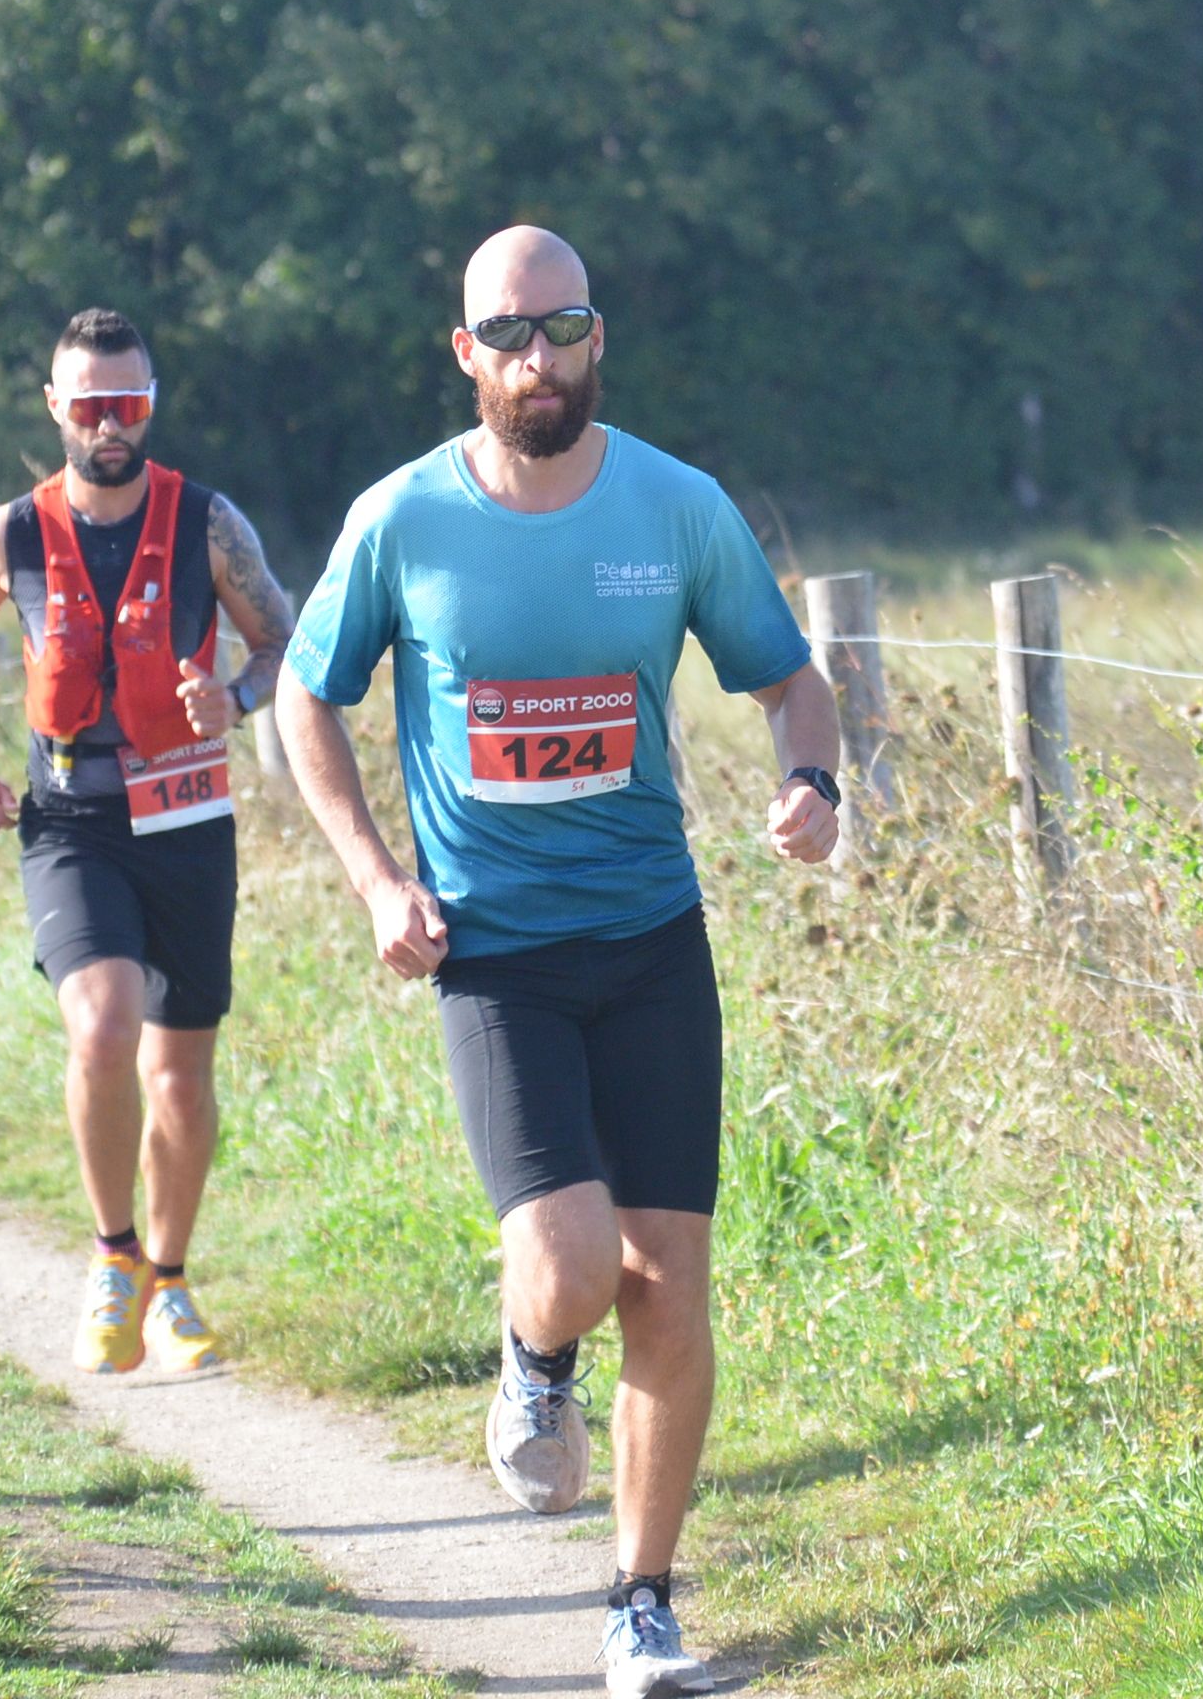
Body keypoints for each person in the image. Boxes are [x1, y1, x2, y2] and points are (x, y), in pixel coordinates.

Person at [274, 226, 841, 1699]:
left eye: (565, 328)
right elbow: (305, 698)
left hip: (652, 940)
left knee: (670, 1284)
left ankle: (641, 1602)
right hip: (495, 956)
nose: (541, 359)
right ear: (466, 352)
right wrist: (377, 879)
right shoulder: (404, 518)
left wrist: (811, 783)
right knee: (579, 1262)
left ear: (600, 336)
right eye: (511, 335)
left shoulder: (676, 506)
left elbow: (792, 682)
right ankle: (534, 1363)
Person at [0, 307, 293, 1376]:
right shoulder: (8, 535)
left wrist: (236, 699)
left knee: (178, 1073)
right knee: (100, 1027)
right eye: (90, 406)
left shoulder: (208, 525)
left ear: (151, 405)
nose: (109, 426)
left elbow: (282, 639)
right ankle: (112, 1255)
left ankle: (170, 1283)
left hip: (187, 817)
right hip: (71, 819)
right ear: (55, 408)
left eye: (127, 404)